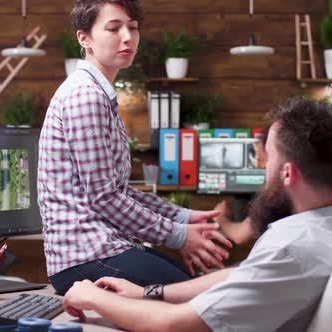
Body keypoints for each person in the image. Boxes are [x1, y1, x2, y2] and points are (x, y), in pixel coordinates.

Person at [62, 97, 332, 332]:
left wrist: (93, 297)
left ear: (287, 173)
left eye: (267, 158)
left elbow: (173, 325)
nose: (262, 170)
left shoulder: (292, 250)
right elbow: (244, 274)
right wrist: (148, 293)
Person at [37, 0, 232, 295]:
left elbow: (118, 191)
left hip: (101, 249)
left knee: (195, 288)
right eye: (114, 28)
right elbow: (105, 198)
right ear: (84, 38)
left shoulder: (98, 92)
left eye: (133, 28)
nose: (127, 37)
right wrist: (180, 236)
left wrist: (182, 217)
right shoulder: (85, 96)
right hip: (83, 257)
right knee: (198, 296)